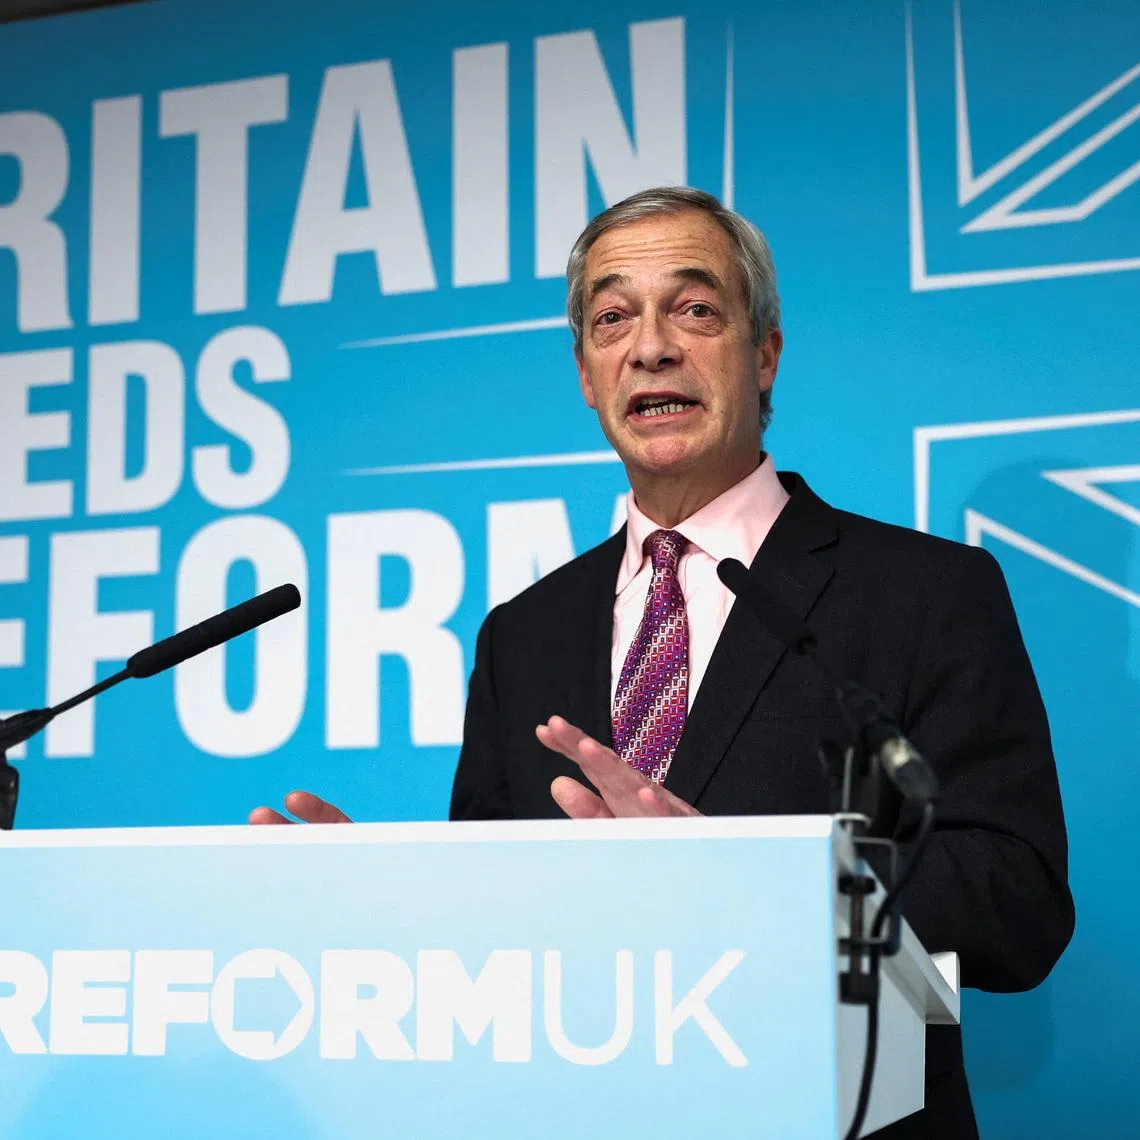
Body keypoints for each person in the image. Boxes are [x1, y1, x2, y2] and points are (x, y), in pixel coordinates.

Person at [252, 187, 1074, 1139]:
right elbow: (502, 935)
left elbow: (1019, 905)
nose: (650, 346)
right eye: (612, 319)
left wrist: (755, 878)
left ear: (764, 355)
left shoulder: (924, 591)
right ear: (589, 377)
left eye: (693, 309)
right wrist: (399, 905)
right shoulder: (522, 632)